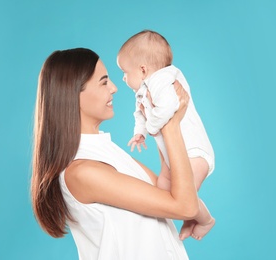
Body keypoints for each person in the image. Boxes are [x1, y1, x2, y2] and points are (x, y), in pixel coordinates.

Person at [31, 48, 202, 259]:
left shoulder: (107, 152)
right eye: (103, 82)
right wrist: (171, 125)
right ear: (73, 93)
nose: (114, 88)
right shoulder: (82, 171)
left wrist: (157, 123)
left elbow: (169, 191)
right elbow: (185, 206)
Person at [117, 30, 215, 240]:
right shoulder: (143, 90)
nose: (123, 78)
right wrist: (140, 132)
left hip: (193, 151)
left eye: (125, 72)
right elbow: (140, 114)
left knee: (185, 195)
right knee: (163, 192)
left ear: (143, 69)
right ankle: (189, 217)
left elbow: (170, 106)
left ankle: (206, 219)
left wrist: (151, 127)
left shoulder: (163, 79)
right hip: (174, 153)